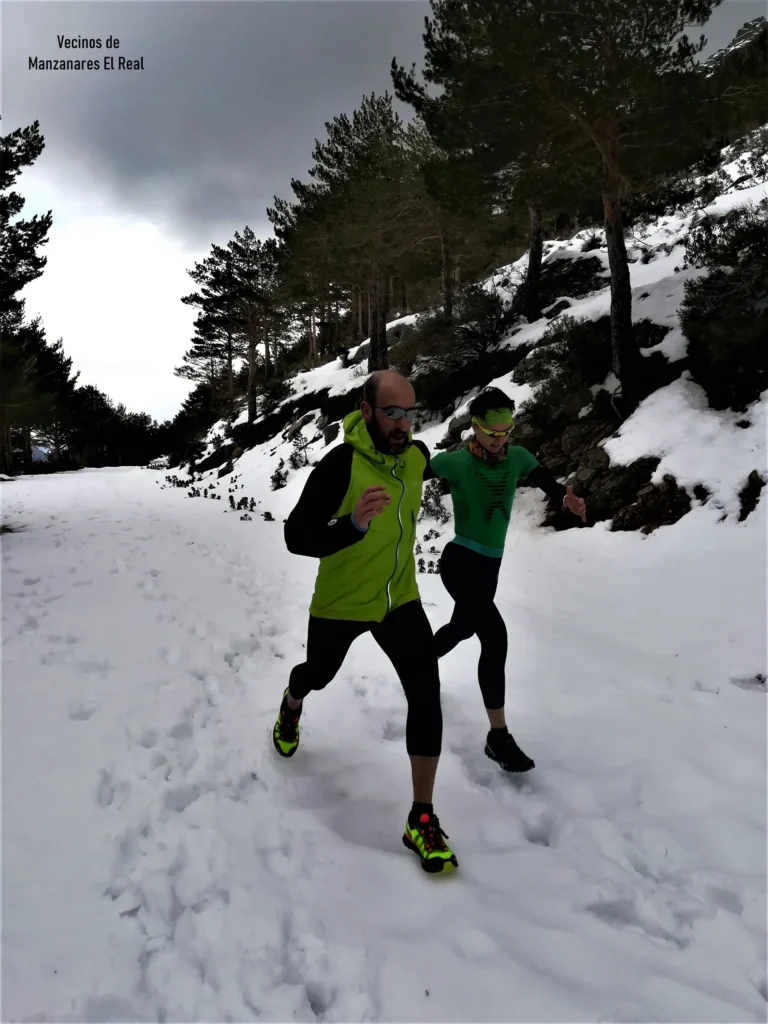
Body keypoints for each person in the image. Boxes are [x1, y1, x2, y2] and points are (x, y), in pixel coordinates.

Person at [273, 369, 458, 874]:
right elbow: (296, 536)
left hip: (400, 600)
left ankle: (421, 817)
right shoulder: (341, 465)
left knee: (426, 693)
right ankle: (292, 701)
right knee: (318, 674)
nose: (403, 423)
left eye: (410, 413)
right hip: (342, 602)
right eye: (392, 412)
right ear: (366, 410)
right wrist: (351, 524)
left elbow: (453, 468)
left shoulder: (415, 458)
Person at [427, 387, 587, 773]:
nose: (500, 440)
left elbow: (550, 484)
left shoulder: (518, 457)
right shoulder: (455, 462)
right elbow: (405, 473)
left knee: (463, 628)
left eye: (506, 431)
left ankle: (419, 664)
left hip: (489, 569)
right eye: (491, 432)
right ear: (474, 426)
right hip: (460, 562)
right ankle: (498, 737)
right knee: (495, 638)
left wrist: (566, 499)